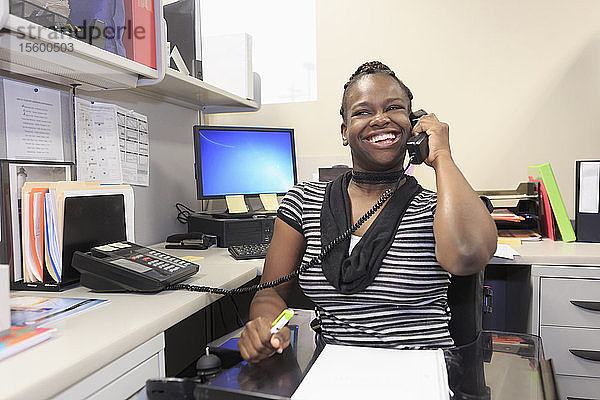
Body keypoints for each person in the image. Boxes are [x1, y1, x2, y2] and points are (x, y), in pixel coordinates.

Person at [238, 61, 497, 363]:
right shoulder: (304, 200)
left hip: (420, 374)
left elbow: (468, 255)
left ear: (414, 124)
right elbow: (270, 294)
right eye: (363, 112)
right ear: (345, 131)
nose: (380, 119)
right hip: (333, 371)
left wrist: (440, 155)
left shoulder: (436, 209)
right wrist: (266, 326)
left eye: (394, 108)